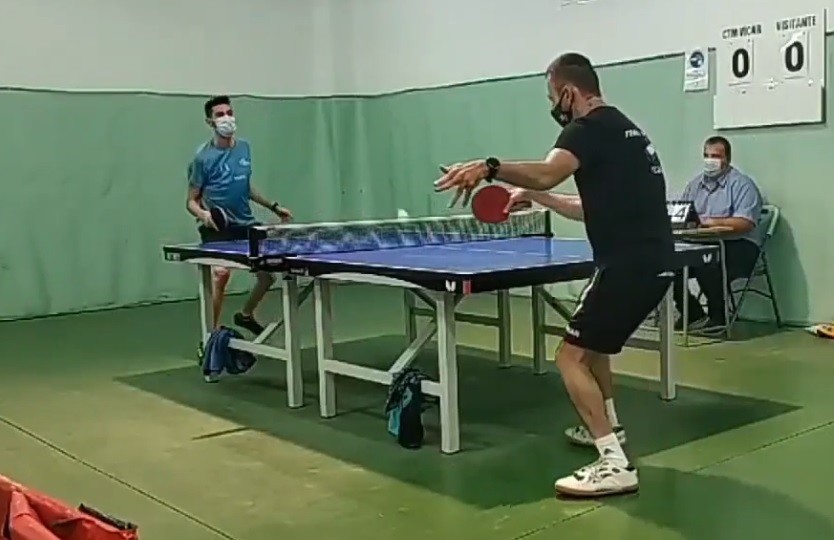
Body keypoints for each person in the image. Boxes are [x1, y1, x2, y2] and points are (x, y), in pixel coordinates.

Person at [435, 52, 675, 498]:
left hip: (627, 265)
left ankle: (613, 463)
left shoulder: (584, 129)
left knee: (569, 358)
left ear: (568, 92)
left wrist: (488, 167)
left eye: (552, 98)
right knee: (594, 348)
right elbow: (588, 206)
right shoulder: (625, 130)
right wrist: (536, 198)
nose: (553, 107)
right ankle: (610, 426)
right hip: (653, 262)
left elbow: (547, 173)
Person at [186, 95, 293, 340]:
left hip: (245, 223)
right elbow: (191, 201)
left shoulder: (244, 148)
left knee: (267, 276)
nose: (227, 118)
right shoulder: (202, 158)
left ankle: (245, 315)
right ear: (210, 122)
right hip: (217, 226)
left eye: (229, 113)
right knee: (220, 273)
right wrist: (204, 215)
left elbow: (245, 187)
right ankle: (211, 335)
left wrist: (274, 207)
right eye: (220, 115)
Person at [673, 136, 764, 330]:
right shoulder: (695, 185)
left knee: (707, 260)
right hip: (702, 242)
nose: (710, 161)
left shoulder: (742, 185)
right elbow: (684, 214)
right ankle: (692, 313)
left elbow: (746, 223)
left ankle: (719, 316)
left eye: (716, 156)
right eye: (707, 155)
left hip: (739, 245)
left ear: (727, 159)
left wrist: (712, 222)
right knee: (667, 262)